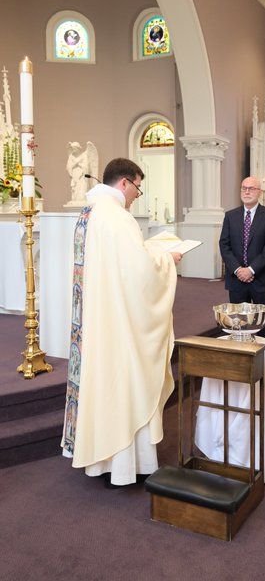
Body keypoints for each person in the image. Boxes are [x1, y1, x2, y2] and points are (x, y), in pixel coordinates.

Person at [62, 158, 181, 486]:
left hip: (99, 317)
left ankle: (102, 460)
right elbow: (140, 273)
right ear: (125, 182)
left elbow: (122, 263)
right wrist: (166, 260)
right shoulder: (117, 217)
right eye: (138, 188)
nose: (136, 196)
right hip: (119, 322)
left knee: (104, 385)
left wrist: (149, 252)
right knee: (126, 381)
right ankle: (127, 463)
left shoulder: (90, 213)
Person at [219, 176, 265, 341]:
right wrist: (239, 270)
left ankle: (264, 362)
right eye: (243, 188)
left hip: (261, 279)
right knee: (239, 325)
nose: (246, 191)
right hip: (236, 280)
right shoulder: (230, 216)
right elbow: (224, 245)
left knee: (263, 326)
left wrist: (251, 270)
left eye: (251, 188)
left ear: (259, 192)